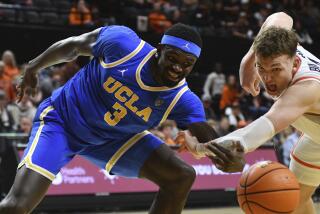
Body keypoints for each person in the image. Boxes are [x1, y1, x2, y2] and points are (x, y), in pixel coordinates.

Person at [0, 23, 218, 214]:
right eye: (172, 58)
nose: (177, 68)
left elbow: (219, 148)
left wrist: (220, 152)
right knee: (16, 207)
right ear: (158, 50)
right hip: (63, 122)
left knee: (181, 176)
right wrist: (34, 66)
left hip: (113, 140)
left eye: (187, 63)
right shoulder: (123, 45)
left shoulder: (184, 100)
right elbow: (74, 46)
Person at [183, 12, 320, 214]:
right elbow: (281, 16)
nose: (268, 78)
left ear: (296, 64)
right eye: (261, 68)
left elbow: (253, 135)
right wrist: (248, 60)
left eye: (275, 69)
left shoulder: (305, 89)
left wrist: (200, 148)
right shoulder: (283, 46)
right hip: (316, 139)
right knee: (295, 199)